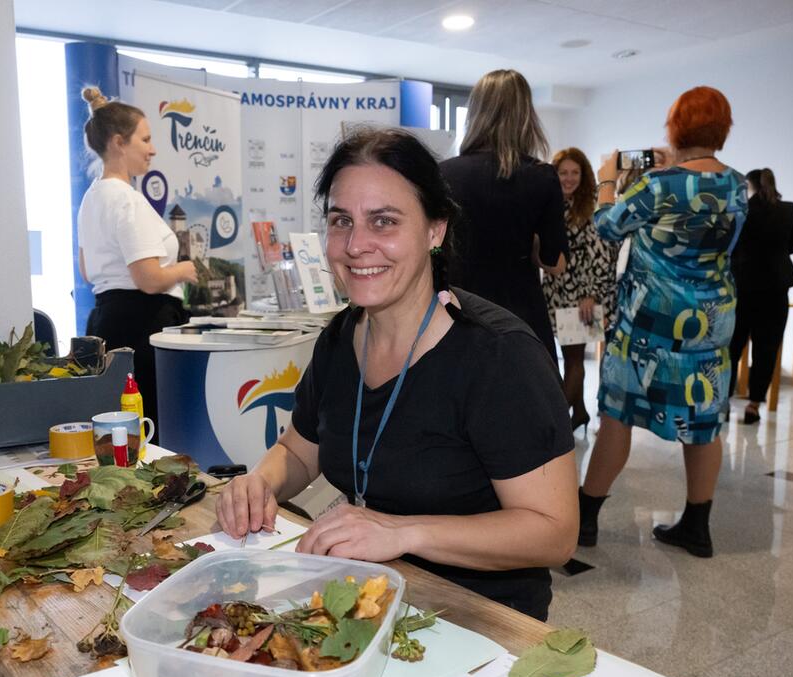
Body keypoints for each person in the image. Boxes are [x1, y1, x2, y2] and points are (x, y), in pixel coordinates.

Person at [215, 128, 577, 621]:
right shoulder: (341, 337)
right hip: (364, 600)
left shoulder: (498, 358)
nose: (357, 244)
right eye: (341, 221)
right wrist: (259, 484)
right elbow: (299, 451)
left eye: (383, 221)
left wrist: (403, 531)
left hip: (478, 618)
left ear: (435, 231)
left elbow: (553, 533)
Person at [577, 86, 748, 559]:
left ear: (676, 126)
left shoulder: (657, 186)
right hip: (712, 323)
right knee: (704, 422)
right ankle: (698, 527)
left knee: (618, 417)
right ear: (722, 128)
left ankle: (585, 518)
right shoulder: (737, 185)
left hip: (649, 325)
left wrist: (609, 179)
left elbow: (607, 226)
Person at [77, 87, 198, 423]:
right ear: (119, 142)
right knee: (149, 426)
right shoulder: (127, 200)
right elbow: (147, 279)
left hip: (107, 323)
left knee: (118, 426)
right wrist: (183, 270)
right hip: (142, 326)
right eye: (145, 140)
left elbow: (87, 271)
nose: (153, 150)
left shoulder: (91, 199)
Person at [440, 69, 568, 362]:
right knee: (527, 400)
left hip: (458, 309)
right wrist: (530, 243)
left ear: (475, 113)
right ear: (526, 115)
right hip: (520, 312)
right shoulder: (542, 176)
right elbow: (555, 263)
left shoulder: (445, 173)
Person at [542, 147, 613, 431]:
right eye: (563, 173)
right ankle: (580, 411)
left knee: (574, 359)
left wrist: (591, 295)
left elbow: (601, 252)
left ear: (584, 176)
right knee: (562, 357)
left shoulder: (592, 204)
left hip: (583, 295)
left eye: (575, 173)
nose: (569, 179)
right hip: (555, 291)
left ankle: (555, 427)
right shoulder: (552, 203)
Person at [727, 168, 793, 424]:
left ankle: (723, 404)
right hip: (775, 288)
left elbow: (729, 247)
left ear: (749, 186)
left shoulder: (741, 211)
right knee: (767, 349)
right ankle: (754, 405)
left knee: (732, 347)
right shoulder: (788, 210)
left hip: (742, 288)